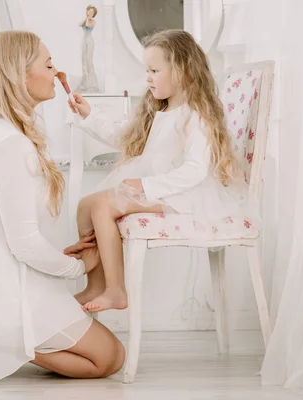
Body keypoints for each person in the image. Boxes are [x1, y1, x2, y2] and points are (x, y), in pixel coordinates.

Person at [0, 30, 124, 387]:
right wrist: (79, 266)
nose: (57, 73)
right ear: (18, 75)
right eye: (48, 64)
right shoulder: (10, 143)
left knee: (99, 346)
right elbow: (24, 246)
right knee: (111, 357)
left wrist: (60, 262)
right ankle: (0, 341)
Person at [66, 29, 254, 313]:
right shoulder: (159, 110)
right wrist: (89, 115)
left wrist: (146, 185)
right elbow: (125, 139)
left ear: (182, 70)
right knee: (85, 206)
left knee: (104, 207)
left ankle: (116, 290)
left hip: (185, 193)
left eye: (154, 70)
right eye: (147, 70)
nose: (148, 78)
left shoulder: (196, 114)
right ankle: (96, 284)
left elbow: (195, 170)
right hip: (161, 188)